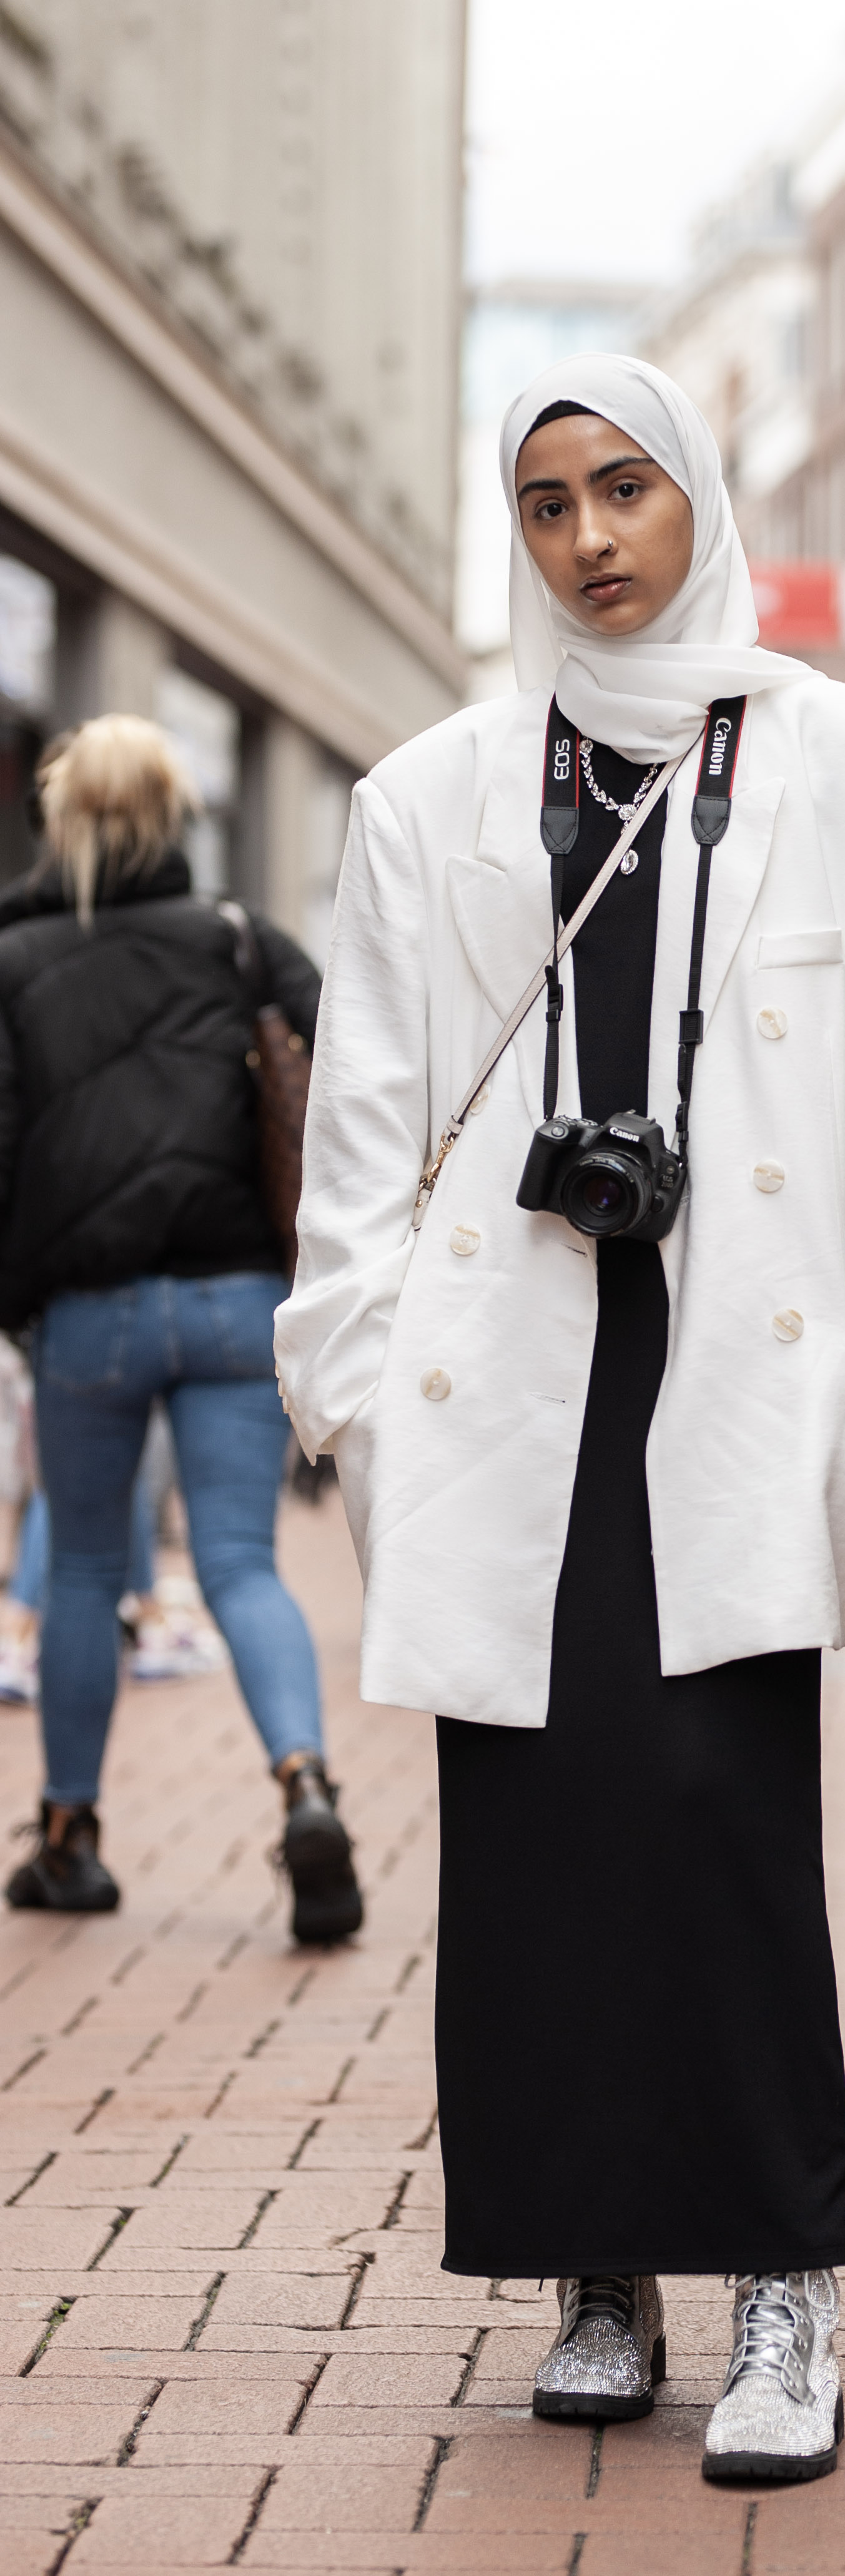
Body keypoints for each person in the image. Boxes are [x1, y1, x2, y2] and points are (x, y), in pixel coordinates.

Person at [274, 354, 845, 2484]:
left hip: (739, 1353)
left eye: (627, 489)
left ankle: (779, 2283)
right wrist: (361, 1391)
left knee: (727, 1812)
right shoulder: (432, 793)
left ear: (699, 499)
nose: (591, 536)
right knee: (539, 1822)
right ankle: (595, 2266)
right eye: (551, 500)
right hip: (510, 1367)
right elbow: (363, 1125)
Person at [0, 715, 357, 1941]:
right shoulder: (241, 940)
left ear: (65, 822)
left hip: (87, 1313)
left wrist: (22, 1305)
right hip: (233, 1298)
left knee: (90, 1573)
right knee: (240, 1564)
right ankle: (308, 1784)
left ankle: (70, 1837)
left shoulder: (14, 954)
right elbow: (354, 1063)